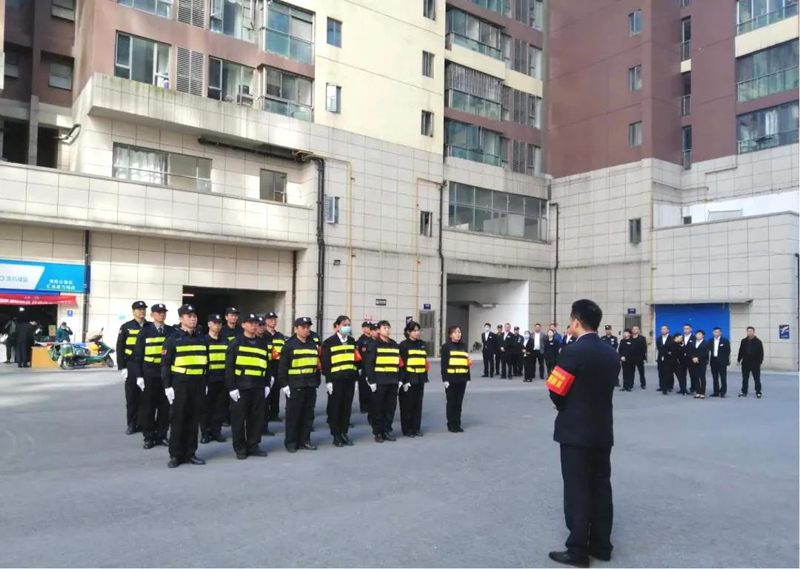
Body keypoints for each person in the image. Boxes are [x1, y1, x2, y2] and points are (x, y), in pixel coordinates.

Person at [547, 299, 618, 568]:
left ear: (576, 322)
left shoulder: (572, 351)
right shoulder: (610, 352)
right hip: (602, 429)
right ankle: (601, 545)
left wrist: (559, 403)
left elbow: (556, 389)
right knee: (601, 486)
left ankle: (577, 549)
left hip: (575, 430)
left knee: (577, 489)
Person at [161, 304, 208, 468]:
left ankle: (190, 453)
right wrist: (167, 386)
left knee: (194, 419)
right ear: (181, 319)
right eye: (189, 316)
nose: (193, 319)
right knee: (178, 419)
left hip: (198, 384)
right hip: (180, 384)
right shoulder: (172, 339)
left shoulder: (202, 339)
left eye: (195, 316)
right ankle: (175, 455)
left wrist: (206, 382)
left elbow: (206, 362)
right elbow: (165, 365)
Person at [226, 313, 270, 460]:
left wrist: (267, 384)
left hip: (258, 387)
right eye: (251, 323)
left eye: (256, 323)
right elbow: (229, 367)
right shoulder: (236, 342)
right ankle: (240, 448)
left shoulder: (262, 343)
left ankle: (253, 445)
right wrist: (232, 387)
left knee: (256, 419)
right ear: (243, 325)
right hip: (241, 387)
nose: (254, 325)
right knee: (238, 420)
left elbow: (267, 365)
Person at [131, 304, 174, 449]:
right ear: (152, 315)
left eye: (163, 312)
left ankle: (162, 435)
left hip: (166, 375)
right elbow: (137, 356)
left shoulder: (171, 331)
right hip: (149, 375)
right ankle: (149, 437)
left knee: (165, 407)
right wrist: (139, 376)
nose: (162, 314)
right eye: (158, 312)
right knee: (148, 408)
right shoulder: (144, 332)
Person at [278, 317, 321, 453]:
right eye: (303, 327)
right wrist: (284, 385)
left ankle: (305, 441)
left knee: (308, 416)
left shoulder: (312, 344)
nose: (306, 330)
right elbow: (282, 367)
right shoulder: (289, 345)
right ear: (296, 329)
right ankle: (291, 442)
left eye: (308, 327)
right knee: (293, 416)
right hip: (295, 386)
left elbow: (316, 365)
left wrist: (317, 381)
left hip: (310, 385)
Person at [322, 315, 358, 447]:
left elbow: (355, 361)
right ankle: (336, 435)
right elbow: (326, 363)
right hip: (336, 380)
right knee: (335, 408)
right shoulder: (329, 342)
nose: (347, 327)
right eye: (344, 325)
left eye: (348, 325)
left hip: (349, 379)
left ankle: (344, 433)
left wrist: (356, 379)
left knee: (346, 408)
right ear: (337, 326)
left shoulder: (352, 341)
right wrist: (328, 381)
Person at [364, 320, 401, 443]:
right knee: (378, 408)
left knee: (390, 408)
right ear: (378, 330)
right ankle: (378, 432)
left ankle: (387, 430)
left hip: (392, 381)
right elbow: (369, 364)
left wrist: (399, 379)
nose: (387, 330)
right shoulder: (373, 345)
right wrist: (371, 381)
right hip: (379, 381)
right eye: (384, 328)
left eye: (388, 328)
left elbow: (398, 363)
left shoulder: (394, 344)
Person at [116, 301, 148, 435]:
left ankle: (143, 423)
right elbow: (120, 347)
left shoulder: (150, 326)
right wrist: (122, 367)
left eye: (143, 309)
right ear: (133, 311)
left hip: (146, 365)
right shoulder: (126, 327)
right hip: (132, 364)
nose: (142, 311)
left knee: (145, 397)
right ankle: (132, 424)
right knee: (132, 396)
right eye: (139, 309)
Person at [200, 313, 228, 444]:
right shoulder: (203, 340)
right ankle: (205, 433)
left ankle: (216, 432)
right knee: (206, 408)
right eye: (214, 323)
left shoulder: (226, 340)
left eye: (219, 323)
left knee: (219, 408)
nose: (217, 325)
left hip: (222, 379)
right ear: (209, 324)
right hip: (208, 379)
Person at [399, 320, 428, 437]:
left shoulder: (422, 344)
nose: (417, 333)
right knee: (407, 406)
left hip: (420, 379)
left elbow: (424, 361)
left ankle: (416, 428)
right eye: (414, 331)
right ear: (408, 332)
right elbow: (402, 365)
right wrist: (404, 381)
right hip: (409, 379)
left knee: (418, 405)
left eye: (418, 330)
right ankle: (407, 429)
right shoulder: (403, 345)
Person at [441, 325, 471, 433]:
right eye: (455, 332)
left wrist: (468, 377)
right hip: (451, 379)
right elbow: (444, 364)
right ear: (450, 335)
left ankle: (458, 424)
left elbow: (466, 362)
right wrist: (445, 379)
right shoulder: (446, 347)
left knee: (459, 403)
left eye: (459, 332)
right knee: (451, 402)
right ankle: (451, 424)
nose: (457, 334)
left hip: (462, 379)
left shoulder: (464, 346)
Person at [263, 311, 285, 424]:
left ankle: (274, 414)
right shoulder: (263, 335)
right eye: (271, 319)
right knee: (266, 392)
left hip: (278, 367)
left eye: (275, 319)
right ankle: (265, 413)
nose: (273, 321)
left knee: (276, 392)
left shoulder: (280, 336)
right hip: (267, 366)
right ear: (266, 321)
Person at [737, 326, 764, 398]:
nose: (749, 333)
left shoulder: (758, 342)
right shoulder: (743, 341)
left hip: (755, 363)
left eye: (751, 331)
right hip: (745, 363)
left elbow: (761, 353)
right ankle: (744, 392)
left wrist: (760, 362)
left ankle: (758, 392)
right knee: (745, 378)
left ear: (754, 332)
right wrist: (739, 360)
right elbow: (741, 351)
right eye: (748, 331)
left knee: (756, 378)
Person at [355, 321, 373, 414]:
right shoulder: (360, 341)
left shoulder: (374, 339)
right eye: (367, 327)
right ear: (363, 328)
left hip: (372, 368)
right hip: (363, 368)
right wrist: (359, 368)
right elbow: (357, 356)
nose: (369, 328)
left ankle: (371, 406)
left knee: (371, 388)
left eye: (370, 327)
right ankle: (364, 406)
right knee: (363, 388)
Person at [709, 327, 730, 398]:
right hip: (713, 361)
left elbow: (728, 351)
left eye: (718, 332)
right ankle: (716, 392)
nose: (716, 333)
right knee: (715, 377)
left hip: (722, 362)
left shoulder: (725, 341)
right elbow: (709, 349)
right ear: (713, 333)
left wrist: (725, 359)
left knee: (723, 377)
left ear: (720, 333)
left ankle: (723, 392)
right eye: (715, 332)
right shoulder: (710, 340)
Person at [690, 330, 709, 399]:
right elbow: (691, 351)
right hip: (694, 362)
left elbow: (706, 353)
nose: (698, 335)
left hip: (702, 362)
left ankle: (702, 392)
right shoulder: (693, 343)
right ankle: (697, 392)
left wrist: (698, 358)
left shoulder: (706, 343)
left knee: (702, 377)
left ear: (703, 335)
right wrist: (693, 357)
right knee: (696, 377)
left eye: (700, 334)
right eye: (697, 334)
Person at [655, 325, 673, 395]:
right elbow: (658, 348)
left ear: (668, 330)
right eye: (662, 329)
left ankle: (669, 386)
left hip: (668, 358)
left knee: (668, 372)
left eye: (664, 329)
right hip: (660, 357)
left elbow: (672, 348)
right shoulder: (659, 338)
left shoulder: (671, 338)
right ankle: (661, 386)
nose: (663, 330)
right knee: (661, 372)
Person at [681, 324, 695, 393]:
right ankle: (683, 389)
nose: (686, 330)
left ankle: (693, 388)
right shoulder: (681, 338)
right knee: (682, 374)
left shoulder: (694, 338)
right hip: (682, 359)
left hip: (691, 359)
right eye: (685, 329)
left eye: (687, 328)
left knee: (693, 374)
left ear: (691, 329)